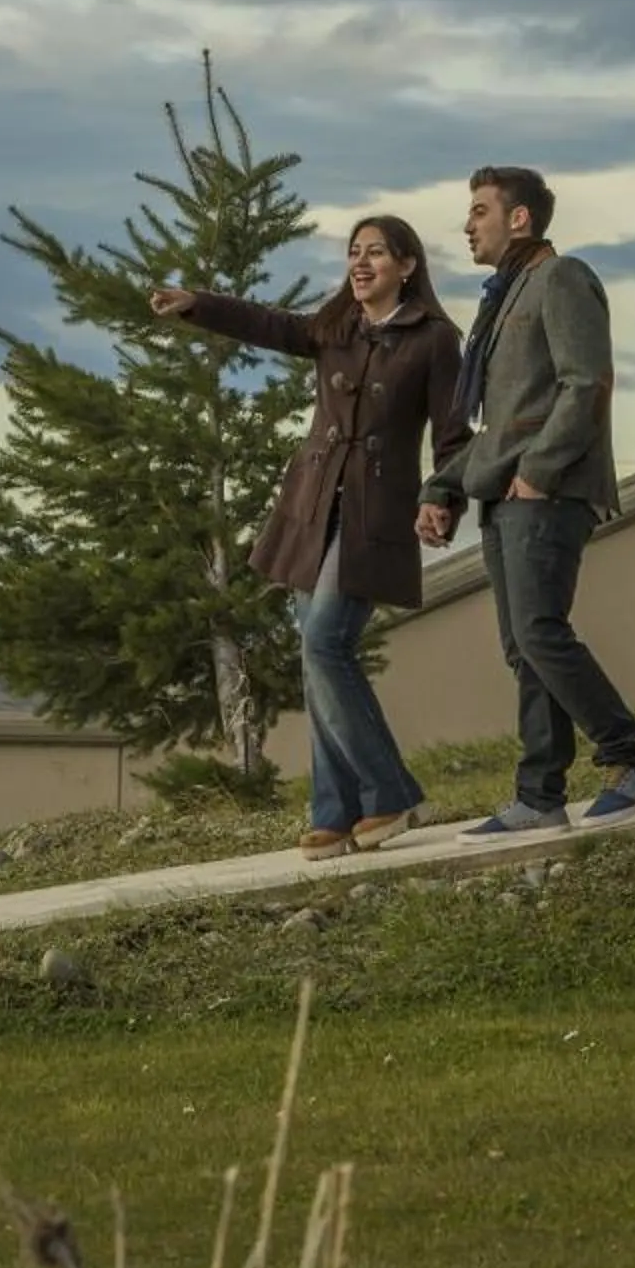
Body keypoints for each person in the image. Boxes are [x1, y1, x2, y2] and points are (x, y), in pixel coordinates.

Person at [150, 216, 463, 861]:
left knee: (326, 642)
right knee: (313, 655)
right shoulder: (335, 326)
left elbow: (453, 435)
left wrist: (440, 498)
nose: (361, 261)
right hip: (311, 508)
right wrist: (198, 305)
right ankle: (335, 809)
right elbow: (270, 324)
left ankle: (391, 792)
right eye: (354, 252)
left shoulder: (434, 339)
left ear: (407, 265)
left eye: (376, 251)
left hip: (375, 516)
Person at [415, 165, 635, 831]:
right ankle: (539, 796)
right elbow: (503, 425)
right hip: (507, 494)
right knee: (523, 647)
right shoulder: (506, 299)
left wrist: (542, 471)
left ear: (518, 218)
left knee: (539, 633)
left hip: (546, 491)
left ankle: (629, 762)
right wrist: (442, 487)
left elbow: (586, 384)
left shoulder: (562, 279)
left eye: (478, 211)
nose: (468, 225)